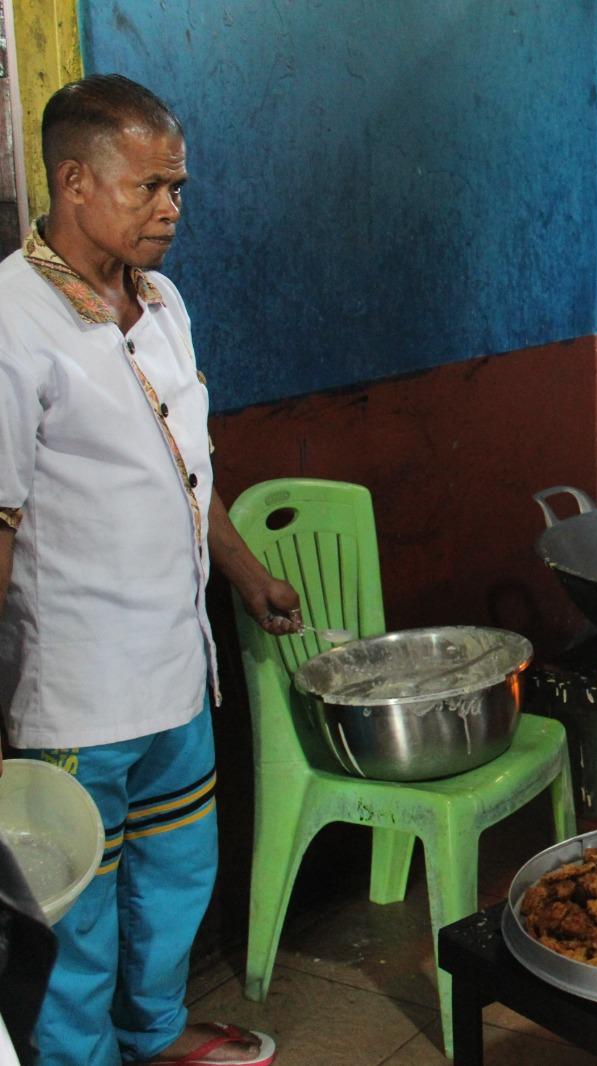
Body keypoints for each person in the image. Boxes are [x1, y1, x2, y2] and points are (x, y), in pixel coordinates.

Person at [0, 75, 300, 1066]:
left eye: (179, 188)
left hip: (175, 667)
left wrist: (245, 571)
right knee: (73, 909)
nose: (172, 208)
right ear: (76, 181)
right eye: (152, 187)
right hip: (76, 694)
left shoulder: (162, 302)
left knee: (173, 875)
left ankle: (155, 1034)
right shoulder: (12, 319)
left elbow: (183, 467)